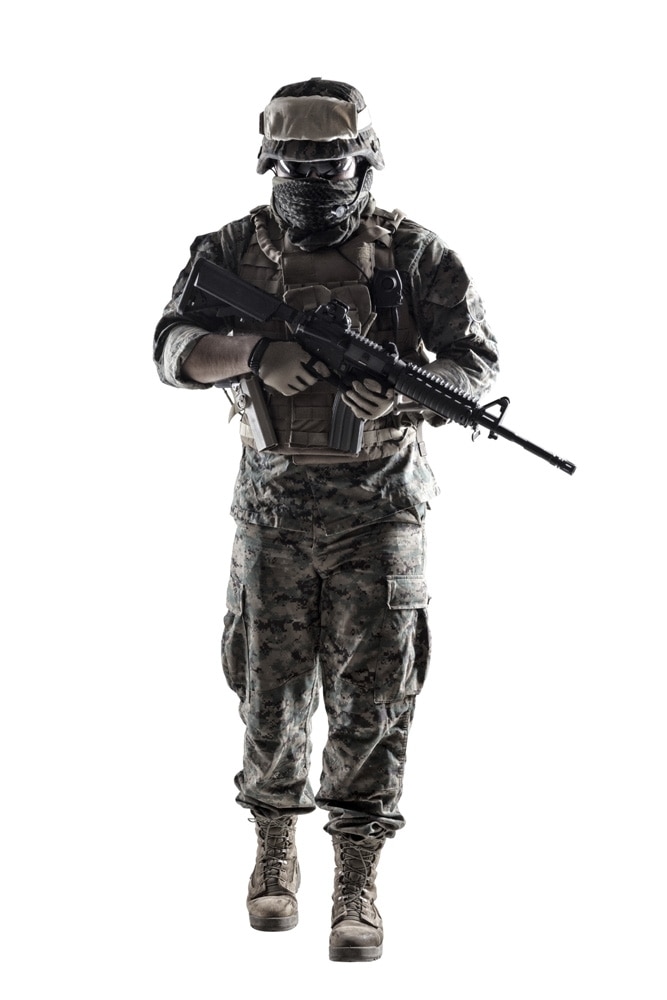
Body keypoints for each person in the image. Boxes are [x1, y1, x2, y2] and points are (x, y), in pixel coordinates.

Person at [153, 77, 499, 962]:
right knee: (268, 691)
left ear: (364, 162)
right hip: (271, 512)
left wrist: (412, 394)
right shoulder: (231, 249)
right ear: (269, 162)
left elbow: (475, 364)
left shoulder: (414, 253)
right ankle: (274, 850)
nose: (312, 183)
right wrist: (256, 353)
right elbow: (171, 348)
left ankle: (355, 875)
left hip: (381, 513)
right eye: (296, 167)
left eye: (329, 166)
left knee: (374, 700)